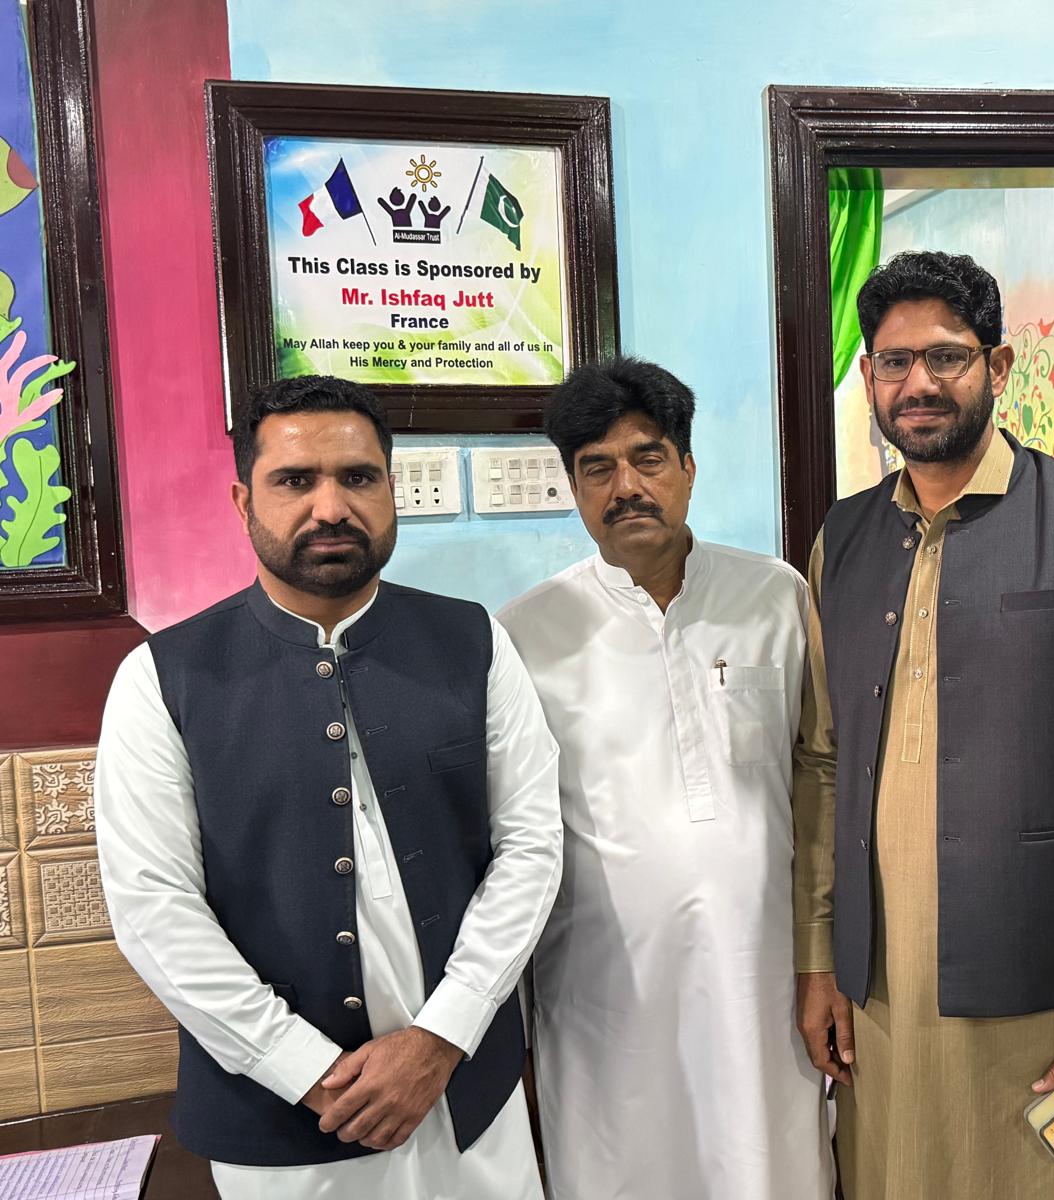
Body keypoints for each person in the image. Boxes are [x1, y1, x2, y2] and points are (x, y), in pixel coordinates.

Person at [96, 375, 563, 1199]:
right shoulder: (162, 678)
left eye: (358, 477)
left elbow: (530, 848)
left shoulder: (473, 641)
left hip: (468, 1097)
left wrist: (442, 1038)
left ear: (392, 488)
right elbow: (154, 908)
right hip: (282, 1124)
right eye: (294, 480)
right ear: (244, 501)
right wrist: (305, 1070)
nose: (331, 507)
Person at [793, 250, 1054, 1199]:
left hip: (1046, 1003)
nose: (918, 384)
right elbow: (824, 765)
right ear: (869, 377)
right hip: (880, 1002)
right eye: (894, 362)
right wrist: (818, 961)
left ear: (997, 367)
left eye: (946, 357)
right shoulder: (842, 540)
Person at [497, 357, 831, 1200]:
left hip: (766, 979)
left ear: (687, 466)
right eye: (597, 468)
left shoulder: (776, 598)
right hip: (605, 997)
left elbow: (819, 781)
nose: (626, 488)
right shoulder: (526, 635)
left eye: (647, 458)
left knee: (771, 1166)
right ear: (574, 487)